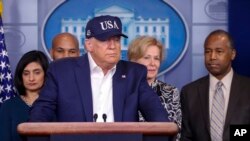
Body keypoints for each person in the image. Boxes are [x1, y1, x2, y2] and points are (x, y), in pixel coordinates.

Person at [29, 15, 169, 122]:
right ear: (89, 45)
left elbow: (160, 119)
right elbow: (39, 116)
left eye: (116, 40)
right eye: (105, 40)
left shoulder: (134, 73)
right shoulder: (61, 71)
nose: (113, 46)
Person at [180, 29, 250, 141]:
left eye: (219, 51)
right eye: (208, 51)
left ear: (232, 54)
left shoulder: (247, 88)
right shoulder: (189, 92)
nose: (212, 57)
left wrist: (234, 135)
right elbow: (186, 136)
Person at [128, 35, 181, 141]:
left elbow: (176, 133)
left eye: (156, 58)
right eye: (146, 58)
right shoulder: (123, 90)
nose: (153, 63)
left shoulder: (171, 92)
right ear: (133, 61)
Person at [0, 50, 49, 141]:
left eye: (37, 72)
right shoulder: (8, 106)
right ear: (20, 76)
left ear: (46, 74)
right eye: (26, 73)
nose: (31, 78)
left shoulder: (53, 105)